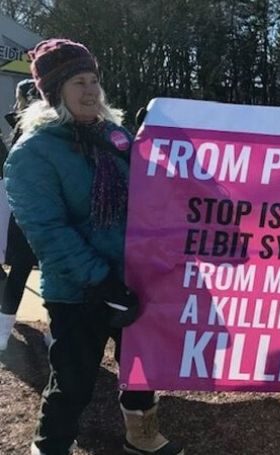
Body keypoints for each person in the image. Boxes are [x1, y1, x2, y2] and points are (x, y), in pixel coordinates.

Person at [4, 39, 184, 455]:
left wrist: (164, 148)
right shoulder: (34, 152)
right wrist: (102, 282)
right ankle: (50, 446)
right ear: (55, 92)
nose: (90, 91)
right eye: (78, 83)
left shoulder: (116, 136)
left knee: (140, 367)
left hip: (133, 279)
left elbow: (154, 191)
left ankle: (142, 436)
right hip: (78, 291)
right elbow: (48, 232)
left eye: (93, 81)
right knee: (73, 379)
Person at [0, 78, 41, 351]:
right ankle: (4, 331)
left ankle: (3, 332)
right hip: (35, 211)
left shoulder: (23, 129)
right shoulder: (47, 128)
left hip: (25, 212)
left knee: (21, 270)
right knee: (46, 273)